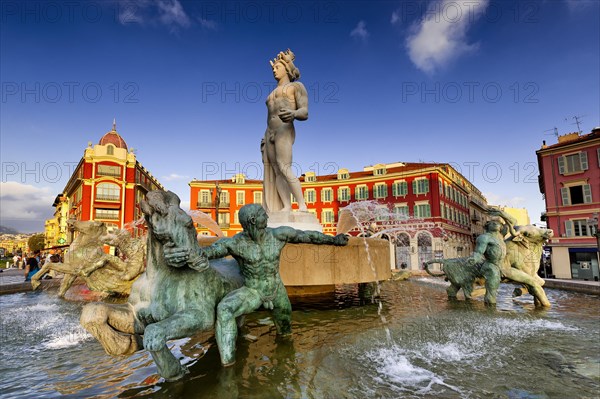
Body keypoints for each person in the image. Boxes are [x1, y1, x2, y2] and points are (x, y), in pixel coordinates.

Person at [164, 203, 349, 366]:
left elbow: (307, 236)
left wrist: (333, 240)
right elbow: (209, 252)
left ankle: (286, 358)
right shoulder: (235, 243)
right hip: (252, 291)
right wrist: (185, 254)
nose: (267, 216)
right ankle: (228, 364)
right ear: (253, 220)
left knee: (285, 332)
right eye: (262, 214)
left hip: (276, 290)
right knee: (225, 309)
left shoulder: (278, 234)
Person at [261, 49, 309, 213]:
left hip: (284, 129)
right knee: (276, 172)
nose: (274, 70)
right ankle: (286, 206)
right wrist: (265, 136)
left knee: (284, 167)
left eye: (277, 67)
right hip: (269, 132)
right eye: (273, 68)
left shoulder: (296, 86)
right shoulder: (271, 93)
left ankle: (302, 205)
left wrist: (294, 113)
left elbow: (305, 112)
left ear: (286, 68)